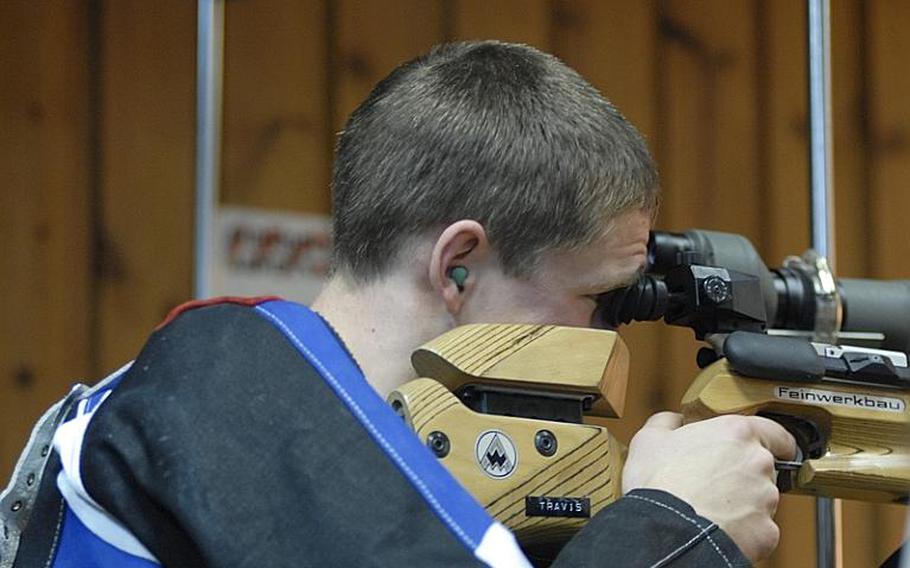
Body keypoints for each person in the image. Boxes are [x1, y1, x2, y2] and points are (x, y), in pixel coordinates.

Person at [1, 41, 795, 567]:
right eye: (595, 299)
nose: (604, 337)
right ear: (457, 268)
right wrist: (675, 523)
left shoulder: (357, 457)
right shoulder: (232, 382)